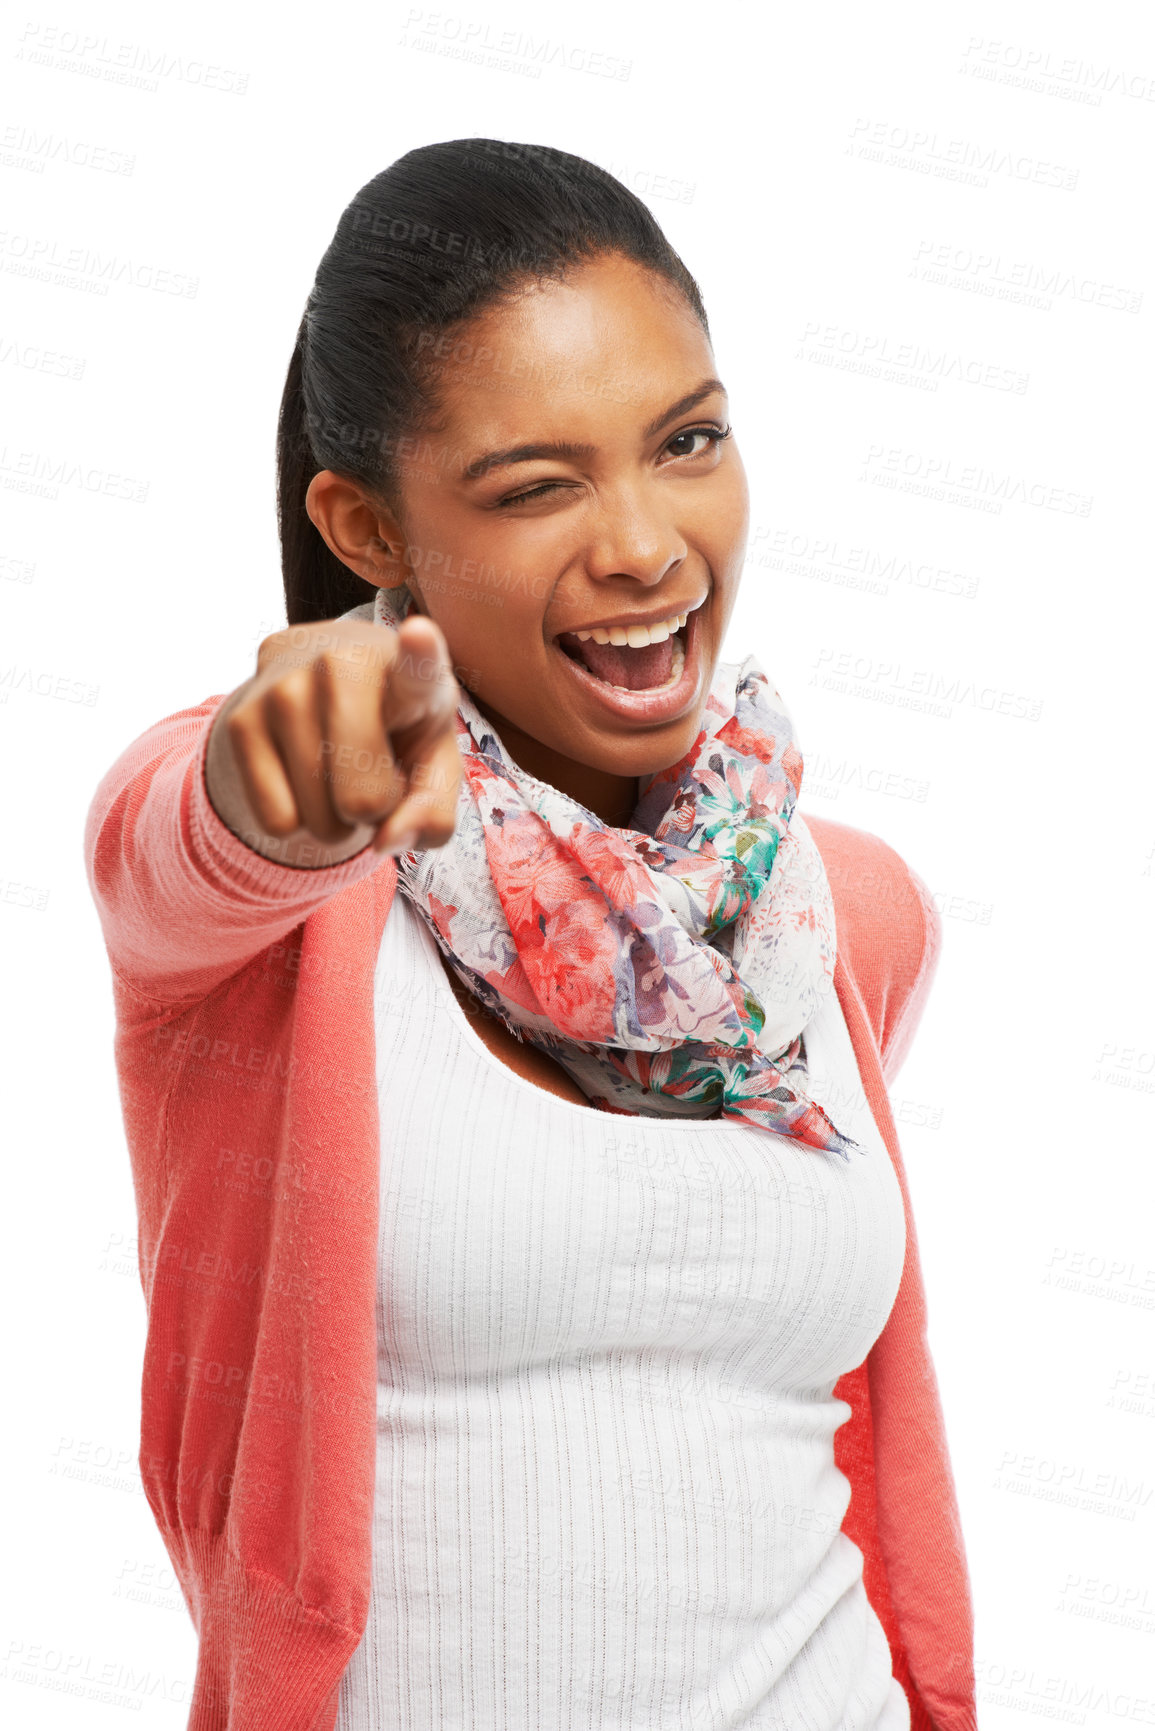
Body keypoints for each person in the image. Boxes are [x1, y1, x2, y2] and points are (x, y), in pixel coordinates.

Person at [84, 138, 977, 1731]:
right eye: (539, 484)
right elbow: (179, 843)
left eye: (686, 440)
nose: (643, 543)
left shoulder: (844, 917)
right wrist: (271, 772)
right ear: (365, 528)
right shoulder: (272, 917)